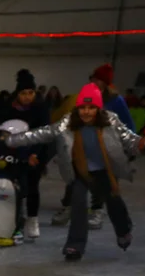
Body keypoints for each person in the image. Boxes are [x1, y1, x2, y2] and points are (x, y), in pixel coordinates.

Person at [6, 83, 141, 261]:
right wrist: (13, 140)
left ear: (98, 109)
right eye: (82, 108)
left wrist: (141, 143)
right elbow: (43, 133)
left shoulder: (111, 121)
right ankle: (74, 246)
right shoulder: (68, 123)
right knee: (77, 204)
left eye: (91, 108)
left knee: (114, 201)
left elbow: (129, 139)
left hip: (104, 170)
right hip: (80, 171)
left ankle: (124, 231)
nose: (86, 112)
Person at [52, 65, 134, 227]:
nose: (94, 82)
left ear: (105, 83)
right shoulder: (85, 96)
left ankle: (97, 211)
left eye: (98, 80)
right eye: (93, 79)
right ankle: (68, 207)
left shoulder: (115, 101)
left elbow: (128, 124)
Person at [0, 70, 49, 241]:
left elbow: (44, 133)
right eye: (24, 93)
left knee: (31, 184)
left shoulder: (40, 109)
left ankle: (32, 219)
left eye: (31, 93)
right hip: (8, 150)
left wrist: (35, 154)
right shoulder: (6, 107)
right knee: (3, 181)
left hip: (33, 150)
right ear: (17, 93)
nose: (27, 97)